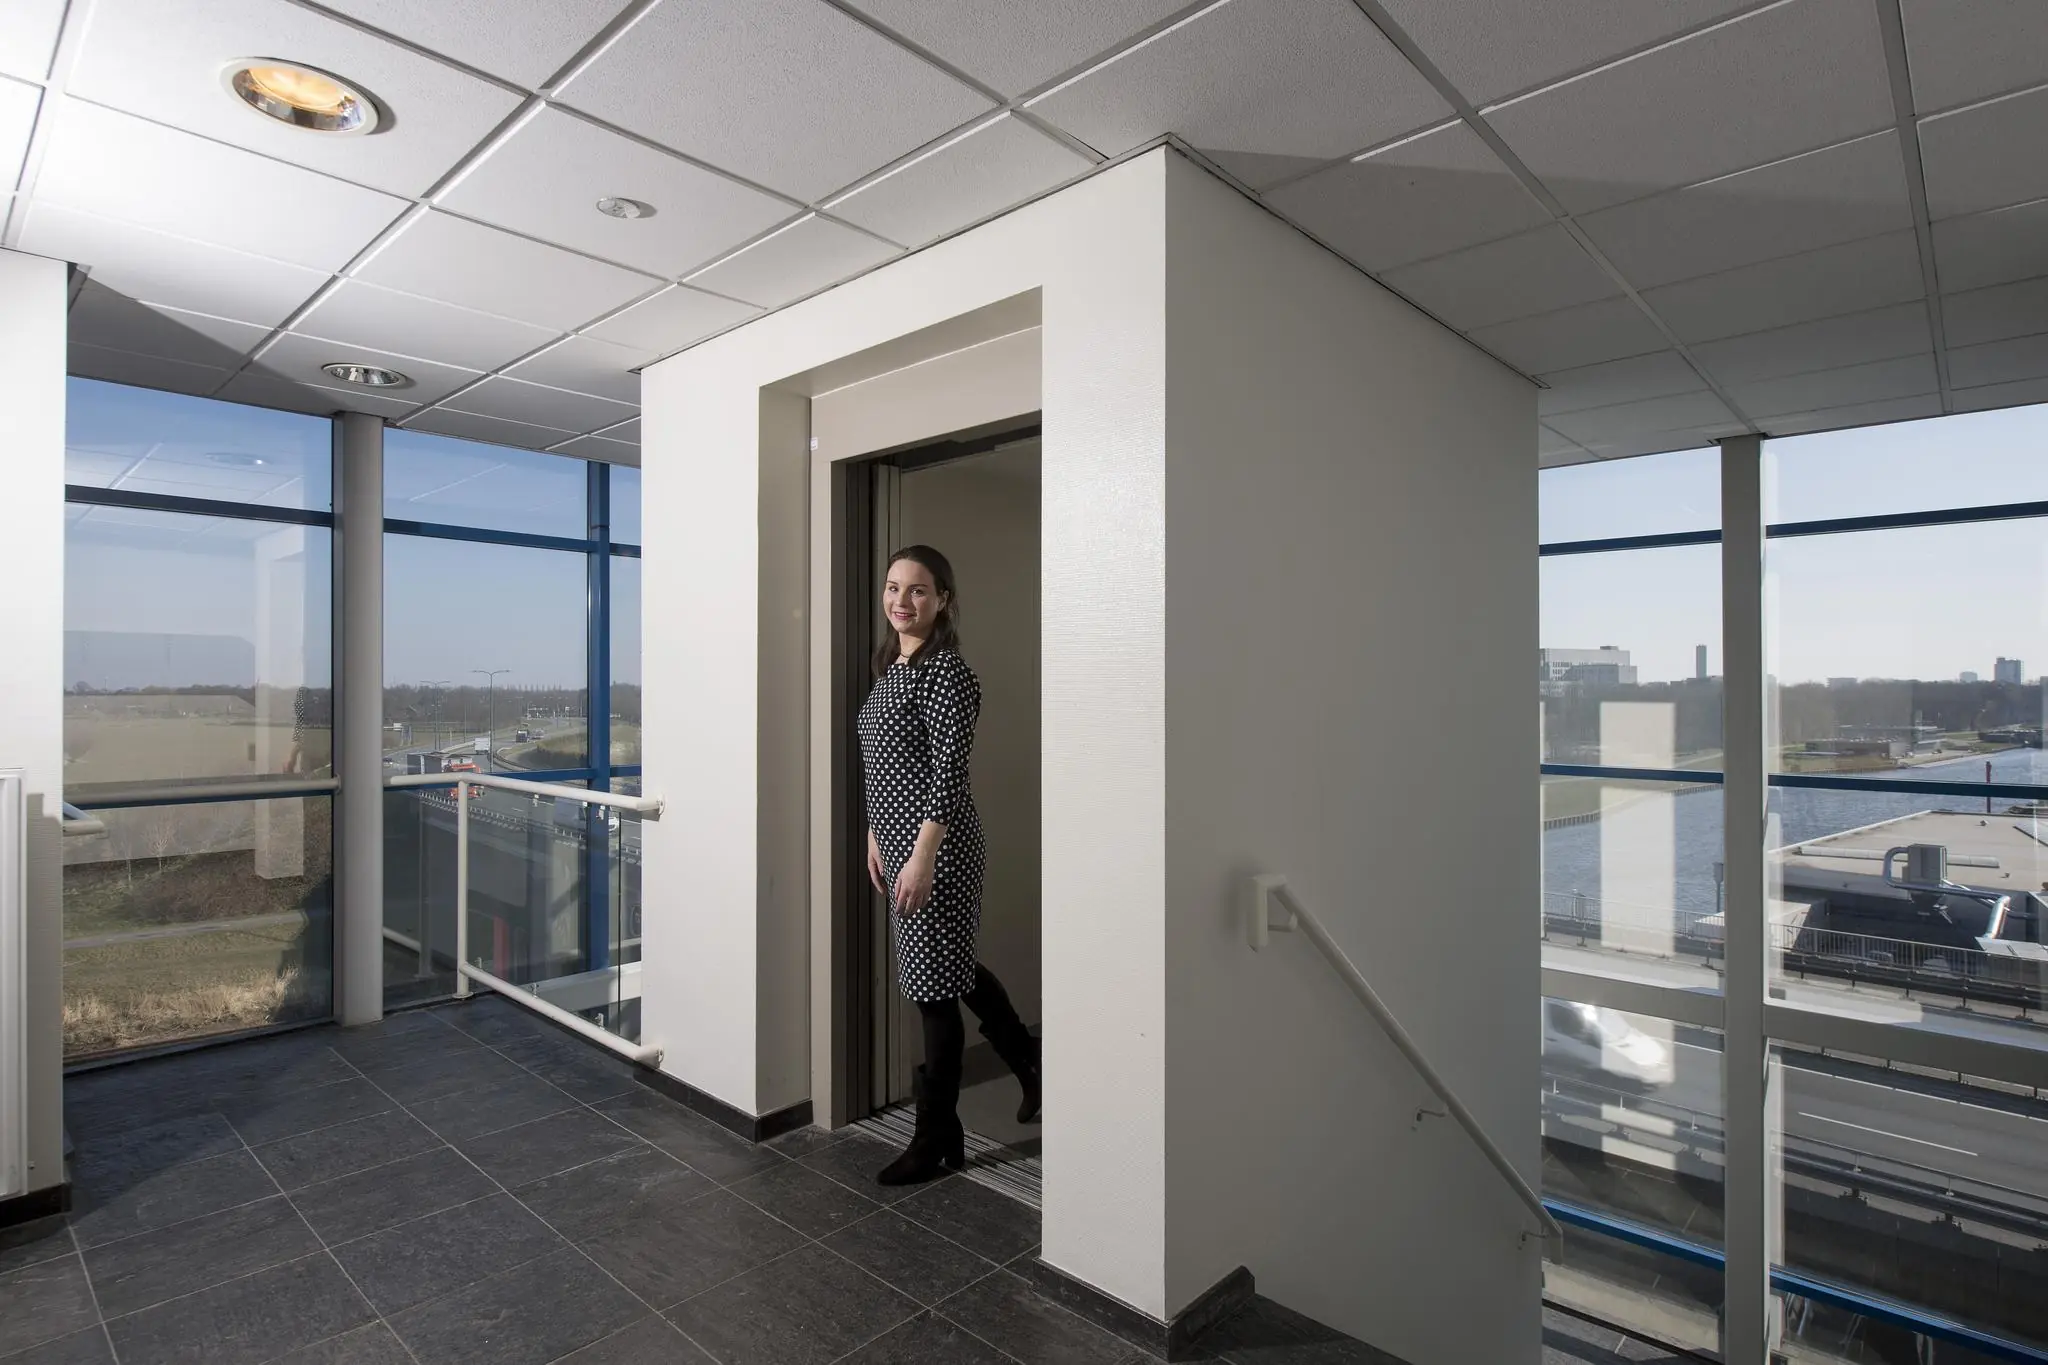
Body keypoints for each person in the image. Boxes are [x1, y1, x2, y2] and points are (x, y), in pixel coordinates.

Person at [858, 543, 1040, 1186]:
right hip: (898, 845)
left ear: (943, 600)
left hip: (938, 851)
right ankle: (1029, 1061)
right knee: (948, 968)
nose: (901, 601)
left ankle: (935, 1134)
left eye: (917, 590)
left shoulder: (947, 673)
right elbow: (884, 762)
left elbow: (946, 775)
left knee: (933, 991)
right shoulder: (892, 666)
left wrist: (921, 857)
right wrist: (875, 833)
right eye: (893, 587)